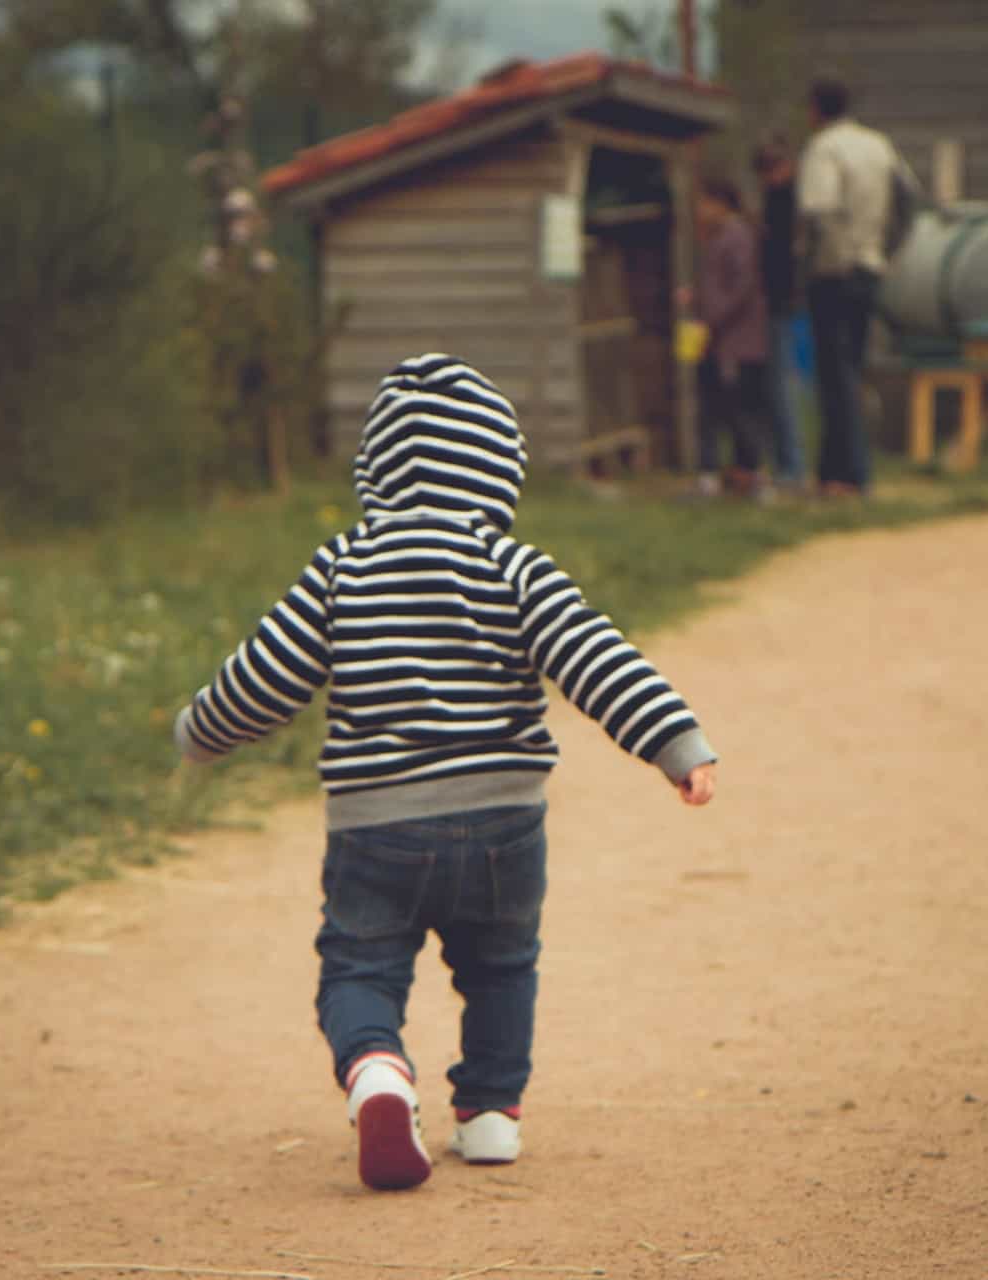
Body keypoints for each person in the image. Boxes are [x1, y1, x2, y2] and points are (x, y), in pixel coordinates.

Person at [174, 353, 719, 1192]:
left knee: (360, 967)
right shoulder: (512, 565)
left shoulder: (342, 567)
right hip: (504, 826)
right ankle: (492, 1114)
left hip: (375, 831)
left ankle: (379, 1073)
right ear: (500, 465)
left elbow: (265, 674)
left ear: (376, 467)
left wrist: (201, 732)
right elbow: (594, 657)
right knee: (502, 965)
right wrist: (675, 744)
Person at [797, 78, 905, 498]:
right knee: (851, 369)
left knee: (834, 375)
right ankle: (832, 473)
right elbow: (907, 203)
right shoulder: (878, 145)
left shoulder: (825, 148)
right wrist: (885, 251)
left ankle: (851, 475)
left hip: (835, 272)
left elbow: (818, 210)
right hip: (870, 267)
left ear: (815, 110)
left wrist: (818, 261)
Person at [683, 177, 771, 499]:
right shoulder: (718, 237)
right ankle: (714, 476)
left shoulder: (738, 236)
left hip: (736, 343)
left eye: (704, 203)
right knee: (711, 409)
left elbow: (741, 288)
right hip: (717, 341)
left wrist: (711, 317)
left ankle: (754, 476)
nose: (700, 210)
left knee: (739, 412)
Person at [753, 138, 809, 492]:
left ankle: (791, 466)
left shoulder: (786, 204)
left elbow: (779, 260)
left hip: (780, 304)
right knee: (774, 389)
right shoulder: (780, 201)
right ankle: (785, 463)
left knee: (779, 388)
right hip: (776, 304)